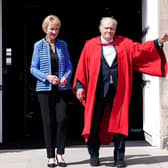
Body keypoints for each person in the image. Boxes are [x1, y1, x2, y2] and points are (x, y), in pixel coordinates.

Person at [73, 16, 168, 167]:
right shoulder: (90, 45)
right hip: (97, 91)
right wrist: (79, 86)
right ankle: (94, 154)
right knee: (94, 123)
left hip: (118, 92)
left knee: (120, 124)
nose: (109, 30)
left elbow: (141, 49)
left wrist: (158, 42)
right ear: (100, 28)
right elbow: (82, 66)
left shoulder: (124, 43)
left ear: (115, 30)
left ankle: (119, 157)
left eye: (112, 28)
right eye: (106, 28)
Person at [30, 15, 73, 167]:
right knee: (48, 122)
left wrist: (66, 77)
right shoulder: (38, 46)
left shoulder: (63, 45)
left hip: (62, 88)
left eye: (56, 29)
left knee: (62, 120)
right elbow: (33, 68)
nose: (54, 31)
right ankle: (50, 156)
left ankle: (60, 154)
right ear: (46, 29)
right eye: (51, 29)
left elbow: (69, 65)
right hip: (44, 89)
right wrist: (47, 77)